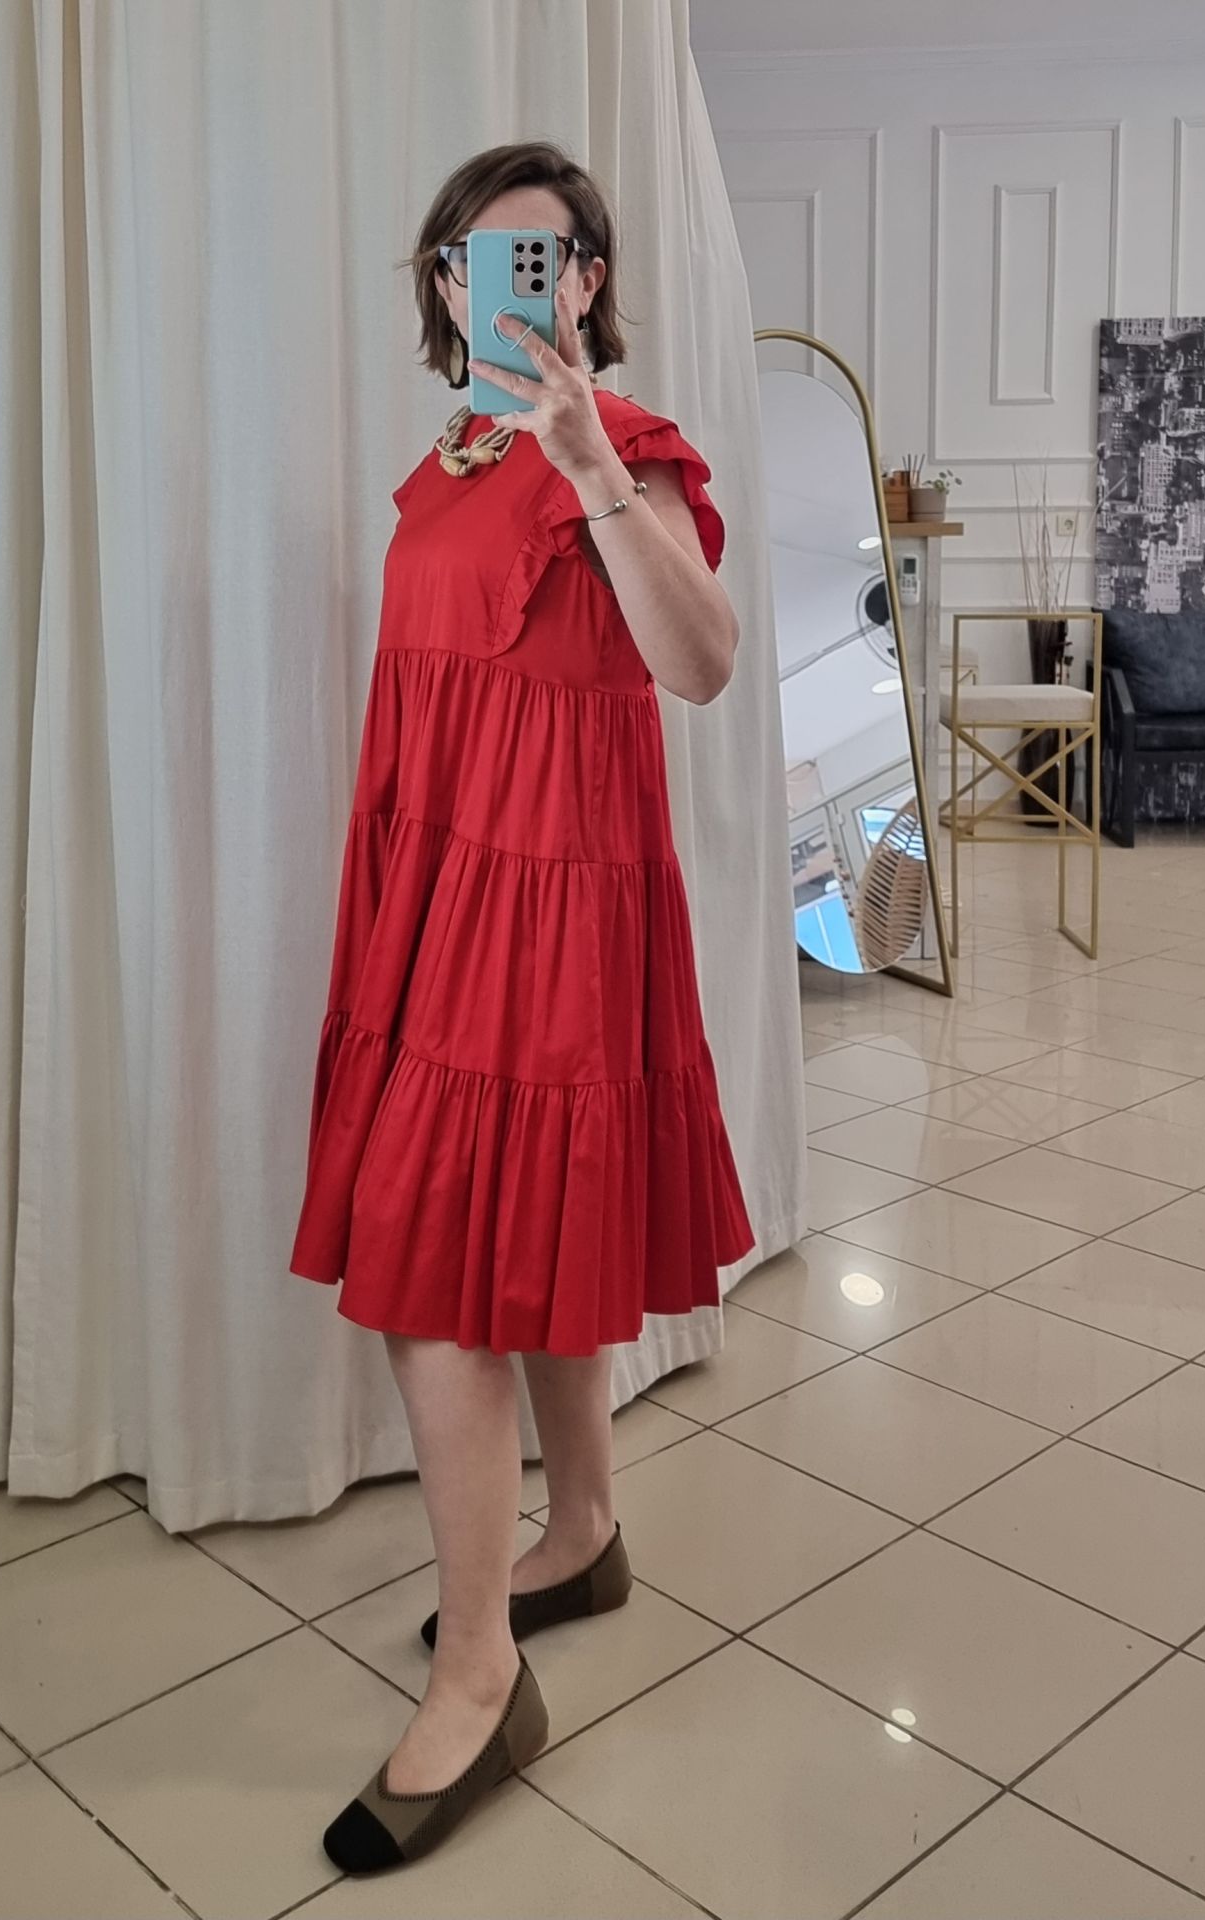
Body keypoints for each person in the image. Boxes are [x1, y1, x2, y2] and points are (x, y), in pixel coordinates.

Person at [289, 138, 753, 1872]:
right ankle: (588, 1532)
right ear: (442, 284)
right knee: (518, 1229)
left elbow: (701, 662)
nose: (509, 281)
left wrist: (591, 468)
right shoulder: (444, 466)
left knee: (435, 1269)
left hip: (555, 906)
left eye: (545, 256)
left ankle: (484, 1671)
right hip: (438, 891)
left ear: (591, 286)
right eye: (477, 257)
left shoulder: (624, 447)